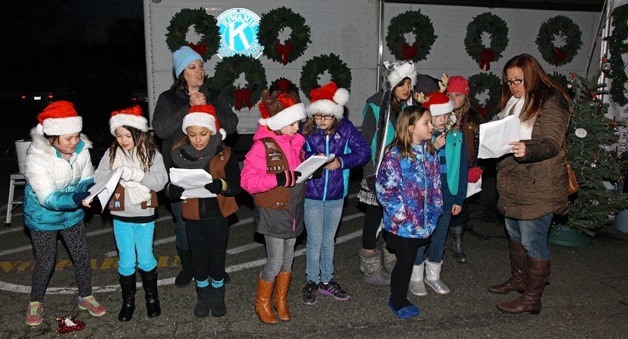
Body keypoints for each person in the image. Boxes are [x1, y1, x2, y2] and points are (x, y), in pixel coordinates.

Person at [489, 53, 570, 314]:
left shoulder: (552, 101)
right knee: (514, 234)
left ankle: (532, 299)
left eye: (518, 80)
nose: (513, 86)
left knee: (533, 240)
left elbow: (551, 142)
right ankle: (519, 280)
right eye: (509, 81)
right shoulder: (513, 101)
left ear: (532, 76)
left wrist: (528, 149)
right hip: (513, 182)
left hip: (539, 183)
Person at [152, 45, 238, 288]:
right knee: (184, 223)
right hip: (181, 174)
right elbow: (161, 129)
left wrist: (209, 109)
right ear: (182, 73)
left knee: (215, 222)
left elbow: (231, 125)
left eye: (201, 66)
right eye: (192, 67)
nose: (199, 71)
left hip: (212, 171)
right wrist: (188, 108)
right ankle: (190, 266)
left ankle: (215, 267)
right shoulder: (169, 99)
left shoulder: (215, 94)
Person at [22, 101, 106, 326]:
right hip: (43, 217)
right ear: (52, 138)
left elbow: (87, 179)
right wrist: (78, 199)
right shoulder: (36, 158)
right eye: (68, 138)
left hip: (72, 214)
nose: (75, 142)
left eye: (77, 136)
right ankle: (35, 302)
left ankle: (85, 296)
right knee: (46, 261)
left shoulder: (81, 150)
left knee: (81, 256)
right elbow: (48, 198)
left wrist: (92, 191)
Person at [91, 105, 167, 321]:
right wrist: (117, 173)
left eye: (127, 135)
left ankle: (152, 299)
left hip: (143, 213)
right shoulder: (112, 152)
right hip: (120, 214)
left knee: (145, 258)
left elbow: (161, 181)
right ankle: (128, 301)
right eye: (118, 135)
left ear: (138, 132)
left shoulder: (152, 153)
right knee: (125, 260)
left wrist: (137, 175)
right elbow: (99, 177)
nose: (123, 140)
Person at [164, 104, 241, 318]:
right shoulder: (179, 155)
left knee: (216, 258)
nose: (198, 139)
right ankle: (202, 296)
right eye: (192, 134)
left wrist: (221, 186)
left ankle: (218, 296)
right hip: (193, 216)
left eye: (203, 134)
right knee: (198, 258)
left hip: (218, 215)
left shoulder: (224, 153)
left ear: (212, 131)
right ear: (186, 133)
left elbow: (236, 185)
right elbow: (168, 186)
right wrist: (172, 190)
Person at [300, 82, 371, 305]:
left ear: (335, 116)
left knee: (329, 240)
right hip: (312, 194)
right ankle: (312, 280)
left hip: (336, 193)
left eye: (327, 116)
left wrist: (341, 161)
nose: (322, 120)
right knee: (314, 240)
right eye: (318, 115)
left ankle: (327, 281)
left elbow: (364, 152)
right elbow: (296, 154)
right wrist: (314, 159)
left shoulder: (346, 129)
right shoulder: (306, 131)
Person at [241, 89, 307, 324]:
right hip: (273, 211)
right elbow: (247, 182)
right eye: (292, 123)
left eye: (298, 122)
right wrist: (277, 179)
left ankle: (281, 300)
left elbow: (297, 175)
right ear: (278, 123)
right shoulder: (262, 147)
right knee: (275, 261)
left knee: (288, 262)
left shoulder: (296, 143)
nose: (297, 127)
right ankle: (262, 302)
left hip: (293, 211)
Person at [376, 105, 442, 319]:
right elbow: (386, 190)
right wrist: (402, 217)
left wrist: (435, 209)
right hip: (403, 224)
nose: (432, 126)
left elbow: (435, 184)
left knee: (412, 257)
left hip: (423, 221)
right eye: (427, 123)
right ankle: (397, 299)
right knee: (404, 262)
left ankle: (400, 295)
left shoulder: (429, 153)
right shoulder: (395, 155)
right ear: (411, 127)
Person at [358, 60, 417, 285]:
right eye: (402, 83)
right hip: (378, 173)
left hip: (402, 175)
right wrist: (370, 174)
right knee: (373, 220)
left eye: (409, 83)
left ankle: (391, 260)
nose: (406, 88)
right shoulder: (375, 106)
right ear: (391, 84)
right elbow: (366, 143)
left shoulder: (408, 109)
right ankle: (370, 268)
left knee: (395, 220)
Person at [409, 91, 468, 297]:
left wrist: (459, 198)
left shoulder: (456, 137)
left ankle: (433, 275)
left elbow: (462, 169)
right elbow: (414, 165)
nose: (442, 120)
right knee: (423, 235)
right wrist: (432, 147)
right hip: (425, 196)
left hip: (447, 193)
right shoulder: (422, 138)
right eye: (437, 116)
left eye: (445, 115)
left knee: (440, 237)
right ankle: (415, 277)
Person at [446, 75, 485, 264]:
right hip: (444, 167)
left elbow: (481, 146)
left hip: (465, 167)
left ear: (465, 97)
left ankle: (457, 244)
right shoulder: (440, 115)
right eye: (450, 94)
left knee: (460, 208)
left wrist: (477, 167)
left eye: (458, 95)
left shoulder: (474, 119)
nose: (453, 99)